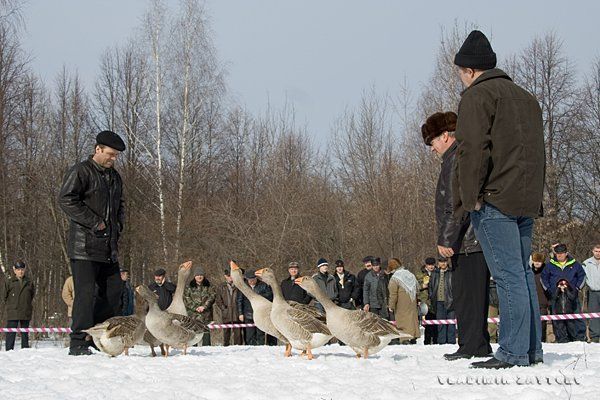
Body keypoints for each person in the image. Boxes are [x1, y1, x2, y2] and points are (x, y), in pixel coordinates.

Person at [452, 30, 545, 368]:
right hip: (525, 199)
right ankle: (531, 349)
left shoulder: (477, 97)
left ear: (470, 71)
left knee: (507, 277)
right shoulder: (525, 97)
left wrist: (470, 198)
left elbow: (473, 150)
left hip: (495, 201)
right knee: (521, 275)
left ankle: (512, 352)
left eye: (460, 73)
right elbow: (535, 153)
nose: (461, 80)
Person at [422, 110, 492, 360]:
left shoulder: (455, 160)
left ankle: (473, 345)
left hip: (468, 240)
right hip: (467, 239)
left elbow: (456, 204)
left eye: (431, 142)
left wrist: (447, 238)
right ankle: (475, 343)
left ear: (444, 136)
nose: (431, 149)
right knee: (468, 294)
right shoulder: (454, 159)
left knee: (468, 294)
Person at [58, 130, 126, 356]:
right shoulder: (81, 171)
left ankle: (97, 336)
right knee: (85, 295)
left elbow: (120, 205)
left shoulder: (115, 177)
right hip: (84, 247)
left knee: (114, 291)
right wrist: (95, 222)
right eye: (110, 154)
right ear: (98, 149)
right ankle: (78, 341)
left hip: (109, 248)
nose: (113, 159)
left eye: (116, 156)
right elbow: (66, 199)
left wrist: (118, 225)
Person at [541, 243, 586, 342]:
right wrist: (549, 289)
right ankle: (561, 339)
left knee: (576, 317)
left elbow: (582, 276)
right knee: (557, 320)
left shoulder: (575, 264)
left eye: (562, 253)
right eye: (557, 253)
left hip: (572, 295)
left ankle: (578, 339)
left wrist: (577, 288)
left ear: (566, 253)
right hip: (556, 296)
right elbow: (544, 278)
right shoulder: (550, 265)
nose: (560, 255)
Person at [1, 261, 35, 351]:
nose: (20, 272)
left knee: (25, 333)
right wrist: (12, 305)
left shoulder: (29, 282)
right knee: (11, 333)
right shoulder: (9, 282)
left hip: (25, 311)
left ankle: (25, 351)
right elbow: (4, 296)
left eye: (22, 269)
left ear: (25, 270)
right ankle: (9, 351)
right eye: (18, 269)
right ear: (14, 270)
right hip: (13, 311)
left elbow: (32, 295)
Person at [237, 269, 273, 345]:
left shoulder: (263, 285)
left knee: (261, 335)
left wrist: (257, 297)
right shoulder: (244, 286)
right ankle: (250, 352)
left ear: (256, 278)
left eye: (253, 279)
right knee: (249, 336)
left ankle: (260, 350)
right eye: (249, 280)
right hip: (248, 314)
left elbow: (270, 296)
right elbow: (239, 300)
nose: (251, 281)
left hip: (261, 314)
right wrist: (240, 313)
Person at [387, 258, 420, 341]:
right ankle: (414, 336)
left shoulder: (395, 278)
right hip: (412, 302)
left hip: (401, 304)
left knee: (403, 321)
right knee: (412, 319)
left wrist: (391, 306)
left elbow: (393, 294)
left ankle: (405, 338)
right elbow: (417, 289)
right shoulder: (410, 274)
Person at [184, 267, 216, 346]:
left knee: (206, 334)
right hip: (193, 315)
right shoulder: (189, 287)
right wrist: (195, 308)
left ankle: (207, 350)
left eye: (201, 275)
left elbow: (212, 297)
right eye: (197, 275)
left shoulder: (209, 286)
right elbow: (186, 299)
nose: (199, 276)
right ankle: (193, 352)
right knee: (193, 334)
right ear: (194, 276)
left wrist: (204, 307)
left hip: (206, 314)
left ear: (204, 276)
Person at [428, 257, 455, 345]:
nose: (443, 264)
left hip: (450, 300)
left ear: (447, 262)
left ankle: (451, 341)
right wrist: (431, 296)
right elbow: (431, 287)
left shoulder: (452, 272)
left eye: (444, 262)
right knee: (440, 322)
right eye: (441, 262)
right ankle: (442, 341)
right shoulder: (434, 273)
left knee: (451, 322)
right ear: (438, 263)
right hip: (438, 301)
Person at [216, 268, 242, 346]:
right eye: (228, 276)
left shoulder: (239, 285)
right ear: (225, 276)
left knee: (238, 334)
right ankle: (225, 347)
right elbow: (218, 300)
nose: (230, 277)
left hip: (236, 313)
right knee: (226, 333)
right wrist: (223, 309)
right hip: (226, 313)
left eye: (231, 275)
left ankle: (239, 348)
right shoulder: (221, 286)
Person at [416, 257, 437, 344]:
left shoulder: (437, 273)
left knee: (436, 322)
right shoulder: (419, 274)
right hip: (424, 301)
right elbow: (415, 286)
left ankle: (436, 340)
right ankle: (427, 341)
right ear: (426, 265)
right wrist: (422, 286)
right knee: (427, 323)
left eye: (432, 265)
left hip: (435, 300)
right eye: (429, 265)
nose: (431, 267)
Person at [531, 252, 550, 342]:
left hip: (543, 301)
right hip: (531, 302)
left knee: (542, 324)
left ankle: (542, 340)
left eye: (539, 261)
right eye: (535, 261)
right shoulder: (529, 272)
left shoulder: (546, 272)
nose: (537, 263)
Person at [583, 244, 600, 343]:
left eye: (599, 251)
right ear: (592, 251)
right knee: (594, 314)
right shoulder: (586, 263)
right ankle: (595, 337)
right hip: (593, 292)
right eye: (596, 251)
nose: (598, 253)